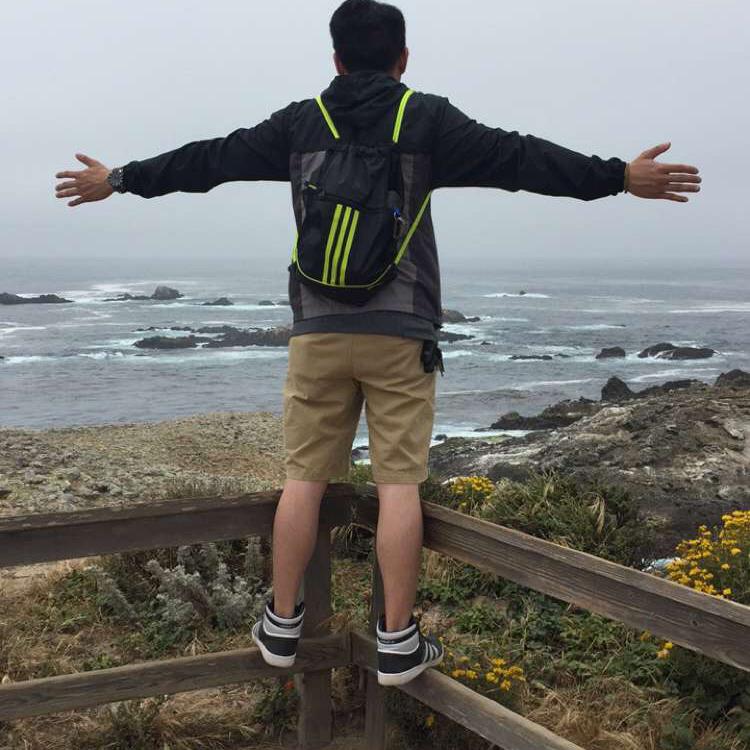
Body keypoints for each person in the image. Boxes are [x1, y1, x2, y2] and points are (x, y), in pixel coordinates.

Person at [55, 0, 701, 686]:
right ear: (403, 59)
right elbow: (522, 159)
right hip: (401, 331)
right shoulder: (427, 119)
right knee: (398, 488)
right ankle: (396, 640)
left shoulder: (301, 122)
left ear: (335, 60)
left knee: (303, 481)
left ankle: (281, 624)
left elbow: (208, 159)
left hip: (318, 329)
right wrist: (618, 177)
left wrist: (119, 179)